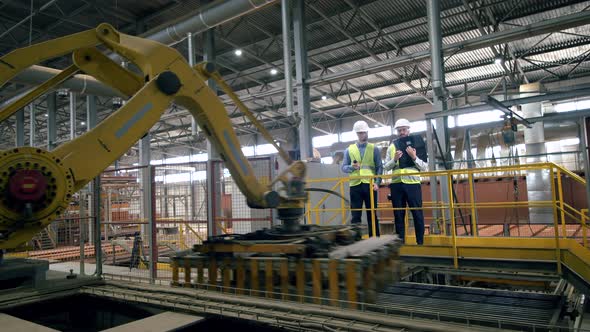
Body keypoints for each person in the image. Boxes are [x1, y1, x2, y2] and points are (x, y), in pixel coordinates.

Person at [384, 118, 427, 245]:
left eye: (403, 129)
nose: (401, 132)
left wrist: (414, 157)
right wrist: (394, 159)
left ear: (408, 130)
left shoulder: (418, 144)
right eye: (399, 130)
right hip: (397, 185)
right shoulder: (392, 146)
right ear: (396, 131)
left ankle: (420, 242)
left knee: (417, 213)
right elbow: (386, 167)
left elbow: (424, 167)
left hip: (413, 184)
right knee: (398, 215)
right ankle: (400, 243)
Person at [341, 120, 383, 237]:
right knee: (355, 215)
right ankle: (356, 240)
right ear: (356, 134)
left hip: (370, 185)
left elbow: (379, 167)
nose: (361, 135)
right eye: (359, 133)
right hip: (355, 185)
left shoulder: (374, 149)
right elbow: (343, 167)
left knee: (372, 214)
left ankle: (375, 238)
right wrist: (352, 167)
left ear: (367, 132)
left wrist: (377, 183)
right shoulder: (349, 150)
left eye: (363, 132)